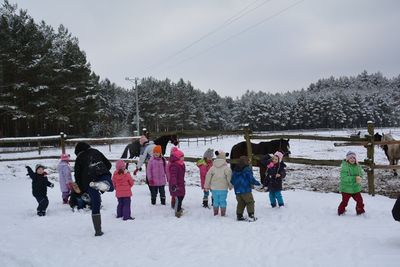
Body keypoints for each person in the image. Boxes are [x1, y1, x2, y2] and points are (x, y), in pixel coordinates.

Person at [74, 142, 114, 236]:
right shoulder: (95, 151)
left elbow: (77, 176)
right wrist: (104, 169)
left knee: (96, 204)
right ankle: (101, 184)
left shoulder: (79, 158)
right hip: (101, 173)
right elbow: (108, 164)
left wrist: (82, 190)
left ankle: (98, 231)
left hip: (88, 180)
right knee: (110, 187)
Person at [231, 156, 260, 221]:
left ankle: (239, 215)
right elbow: (251, 179)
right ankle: (251, 216)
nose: (249, 162)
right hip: (246, 190)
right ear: (245, 162)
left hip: (237, 191)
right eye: (248, 161)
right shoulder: (247, 170)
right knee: (250, 202)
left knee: (241, 203)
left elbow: (232, 181)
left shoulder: (235, 170)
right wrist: (258, 183)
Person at [204, 150, 232, 216]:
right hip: (223, 188)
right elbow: (229, 177)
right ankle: (223, 213)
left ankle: (215, 213)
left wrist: (206, 186)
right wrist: (230, 185)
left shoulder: (212, 168)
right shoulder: (226, 168)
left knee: (215, 201)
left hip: (214, 189)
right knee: (223, 201)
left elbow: (208, 177)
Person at [338, 151, 365, 216]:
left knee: (360, 201)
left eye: (354, 158)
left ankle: (360, 211)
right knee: (345, 202)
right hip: (346, 188)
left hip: (355, 188)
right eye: (350, 158)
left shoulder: (358, 166)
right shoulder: (345, 167)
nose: (352, 159)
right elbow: (344, 177)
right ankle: (341, 211)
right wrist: (354, 178)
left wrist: (360, 177)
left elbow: (361, 174)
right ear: (347, 159)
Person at [167, 147, 186, 218]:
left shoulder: (181, 164)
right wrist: (174, 184)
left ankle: (179, 208)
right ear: (177, 157)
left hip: (181, 183)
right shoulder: (174, 165)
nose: (183, 158)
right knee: (178, 198)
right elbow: (173, 176)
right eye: (182, 157)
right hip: (176, 184)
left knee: (182, 196)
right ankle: (177, 211)